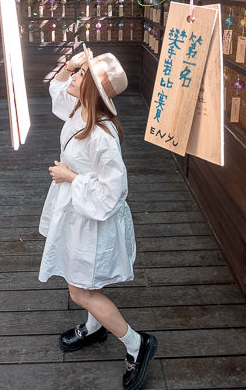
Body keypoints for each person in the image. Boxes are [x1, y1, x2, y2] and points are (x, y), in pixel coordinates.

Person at [38, 47, 157, 390]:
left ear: (93, 88)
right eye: (76, 73)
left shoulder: (101, 133)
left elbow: (114, 190)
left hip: (93, 219)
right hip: (80, 214)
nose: (72, 79)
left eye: (80, 75)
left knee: (80, 292)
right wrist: (71, 64)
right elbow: (56, 92)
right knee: (90, 284)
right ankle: (94, 327)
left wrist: (71, 178)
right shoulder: (80, 111)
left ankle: (137, 344)